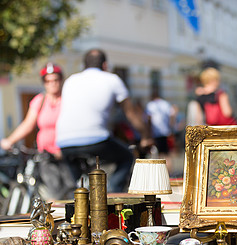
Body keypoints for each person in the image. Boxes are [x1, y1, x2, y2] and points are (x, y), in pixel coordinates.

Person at [56, 49, 153, 193]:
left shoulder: (71, 80)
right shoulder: (112, 79)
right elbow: (130, 113)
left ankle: (78, 199)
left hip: (64, 141)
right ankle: (111, 196)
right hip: (96, 139)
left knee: (80, 187)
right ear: (105, 65)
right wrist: (146, 136)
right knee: (126, 157)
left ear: (84, 65)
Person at [1, 63, 75, 200]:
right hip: (46, 156)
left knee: (73, 194)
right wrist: (9, 141)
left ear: (61, 80)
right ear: (44, 83)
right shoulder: (40, 101)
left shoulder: (68, 100)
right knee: (53, 196)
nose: (52, 84)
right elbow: (27, 125)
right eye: (48, 81)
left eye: (55, 80)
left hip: (67, 155)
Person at [145, 90, 176, 170]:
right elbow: (172, 115)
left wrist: (148, 133)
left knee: (158, 155)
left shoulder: (150, 105)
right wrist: (171, 127)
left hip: (155, 133)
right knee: (167, 154)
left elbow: (148, 119)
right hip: (166, 132)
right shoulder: (165, 104)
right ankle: (169, 173)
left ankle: (160, 173)